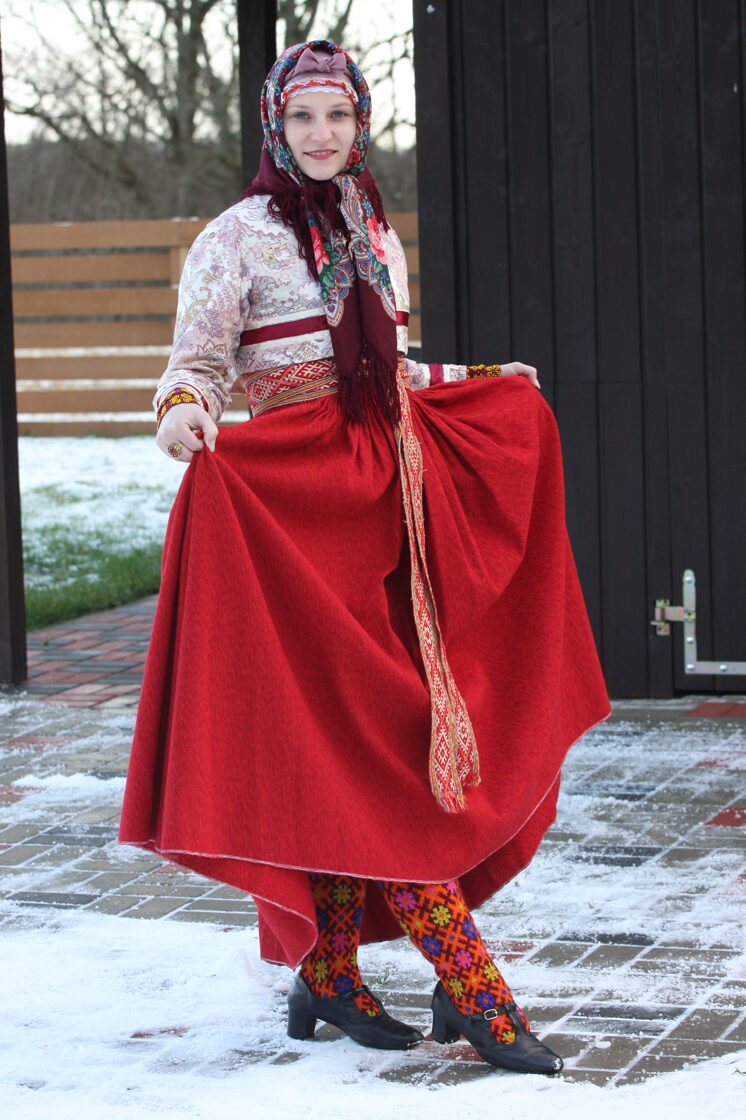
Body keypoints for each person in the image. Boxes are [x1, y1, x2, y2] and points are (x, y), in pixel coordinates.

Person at [119, 40, 609, 1075]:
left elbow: (389, 366)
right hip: (297, 516)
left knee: (380, 740)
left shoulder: (374, 230)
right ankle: (475, 990)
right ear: (274, 127)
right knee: (377, 750)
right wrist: (182, 414)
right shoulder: (234, 239)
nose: (321, 134)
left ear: (361, 125)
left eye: (337, 115)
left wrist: (481, 377)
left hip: (390, 501)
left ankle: (330, 971)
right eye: (301, 117)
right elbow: (197, 363)